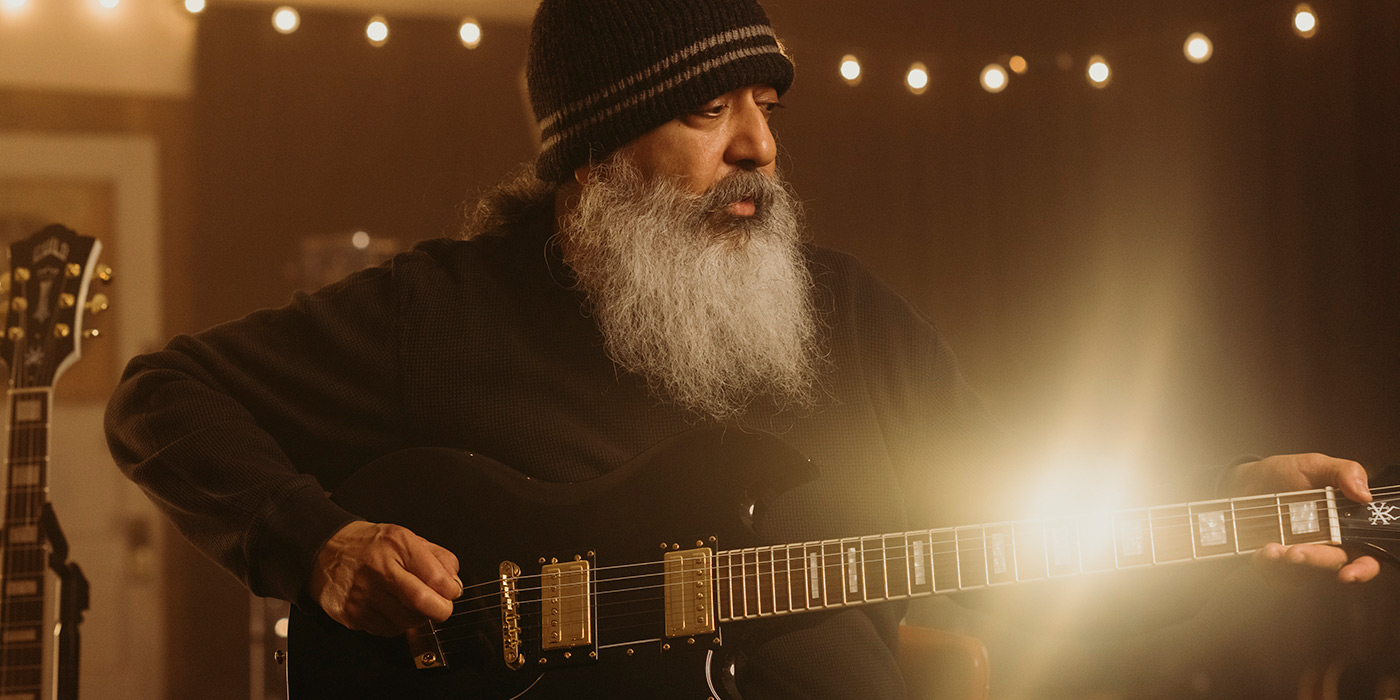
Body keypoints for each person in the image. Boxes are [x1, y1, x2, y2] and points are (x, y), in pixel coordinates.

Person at [104, 0, 1380, 697]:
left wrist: (1219, 516)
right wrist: (319, 542)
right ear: (592, 154)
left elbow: (1019, 540)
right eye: (707, 110)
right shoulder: (437, 315)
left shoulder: (850, 319)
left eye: (764, 107)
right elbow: (160, 395)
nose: (759, 150)